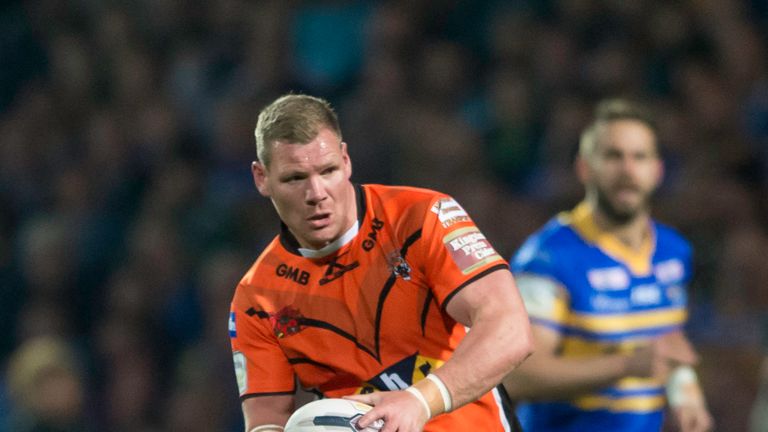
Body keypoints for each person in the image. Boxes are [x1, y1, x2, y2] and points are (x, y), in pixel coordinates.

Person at [228, 94, 533, 432]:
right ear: (261, 178)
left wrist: (419, 401)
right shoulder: (257, 298)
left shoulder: (422, 218)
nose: (316, 193)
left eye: (327, 171)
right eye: (295, 179)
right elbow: (265, 422)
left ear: (346, 161)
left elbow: (511, 328)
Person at [502, 99, 714, 431]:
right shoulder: (548, 257)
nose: (628, 170)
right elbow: (517, 376)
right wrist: (627, 364)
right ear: (585, 168)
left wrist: (686, 394)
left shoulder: (674, 250)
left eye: (639, 157)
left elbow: (668, 344)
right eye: (614, 156)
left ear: (657, 170)